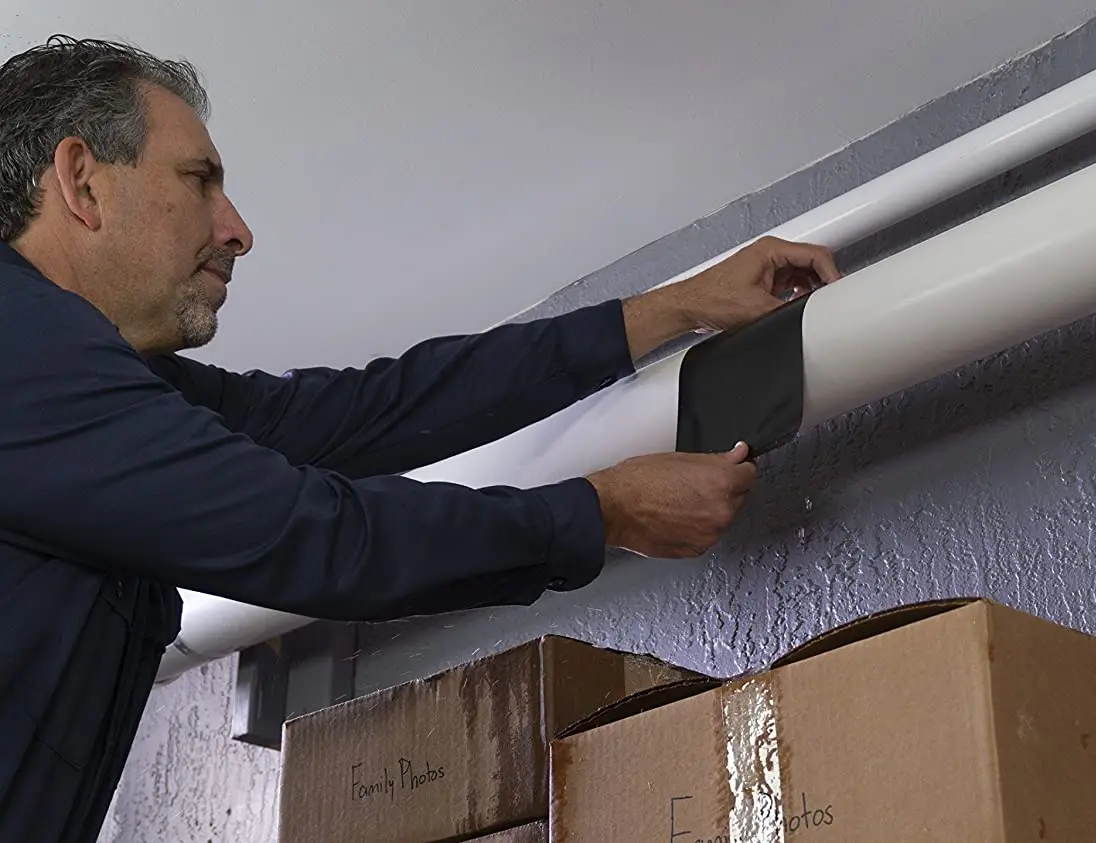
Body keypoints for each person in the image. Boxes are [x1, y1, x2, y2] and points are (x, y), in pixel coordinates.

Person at [0, 36, 839, 842]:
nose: (237, 229)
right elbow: (311, 534)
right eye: (199, 179)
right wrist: (602, 511)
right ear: (82, 181)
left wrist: (670, 307)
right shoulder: (19, 351)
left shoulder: (98, 388)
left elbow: (376, 410)